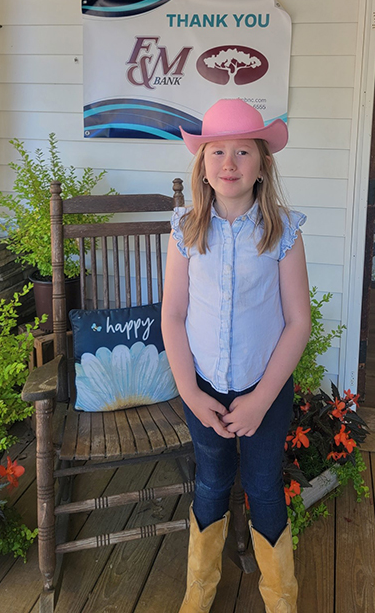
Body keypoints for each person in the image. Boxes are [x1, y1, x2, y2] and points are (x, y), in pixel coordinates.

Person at [161, 99, 312, 613]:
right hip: (203, 390)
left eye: (243, 151)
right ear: (202, 164)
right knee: (211, 482)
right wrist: (190, 393)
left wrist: (261, 400)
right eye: (217, 150)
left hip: (262, 391)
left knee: (265, 487)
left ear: (262, 165)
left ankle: (280, 599)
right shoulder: (185, 231)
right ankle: (198, 592)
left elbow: (298, 322)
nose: (229, 162)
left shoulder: (282, 233)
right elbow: (173, 316)